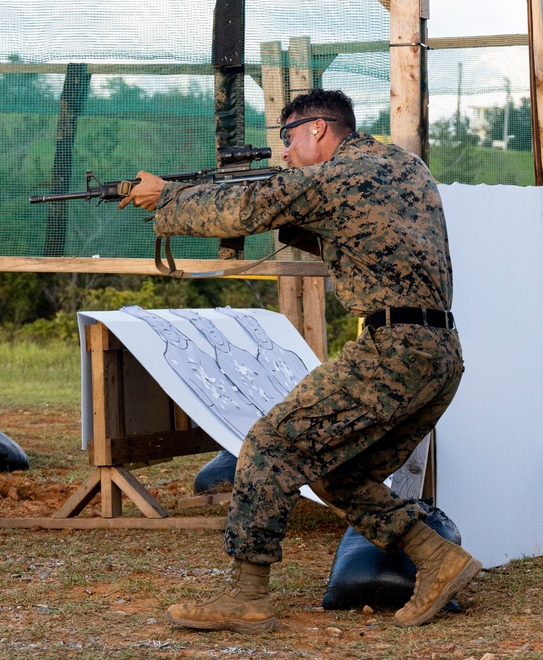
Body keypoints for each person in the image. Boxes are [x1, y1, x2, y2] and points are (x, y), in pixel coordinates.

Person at [119, 89, 480, 633]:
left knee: (270, 445)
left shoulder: (335, 177)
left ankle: (247, 598)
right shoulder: (404, 168)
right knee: (337, 468)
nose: (284, 152)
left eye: (287, 138)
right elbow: (356, 236)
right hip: (440, 354)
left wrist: (168, 199)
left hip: (393, 350)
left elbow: (248, 205)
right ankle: (437, 558)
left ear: (317, 129)